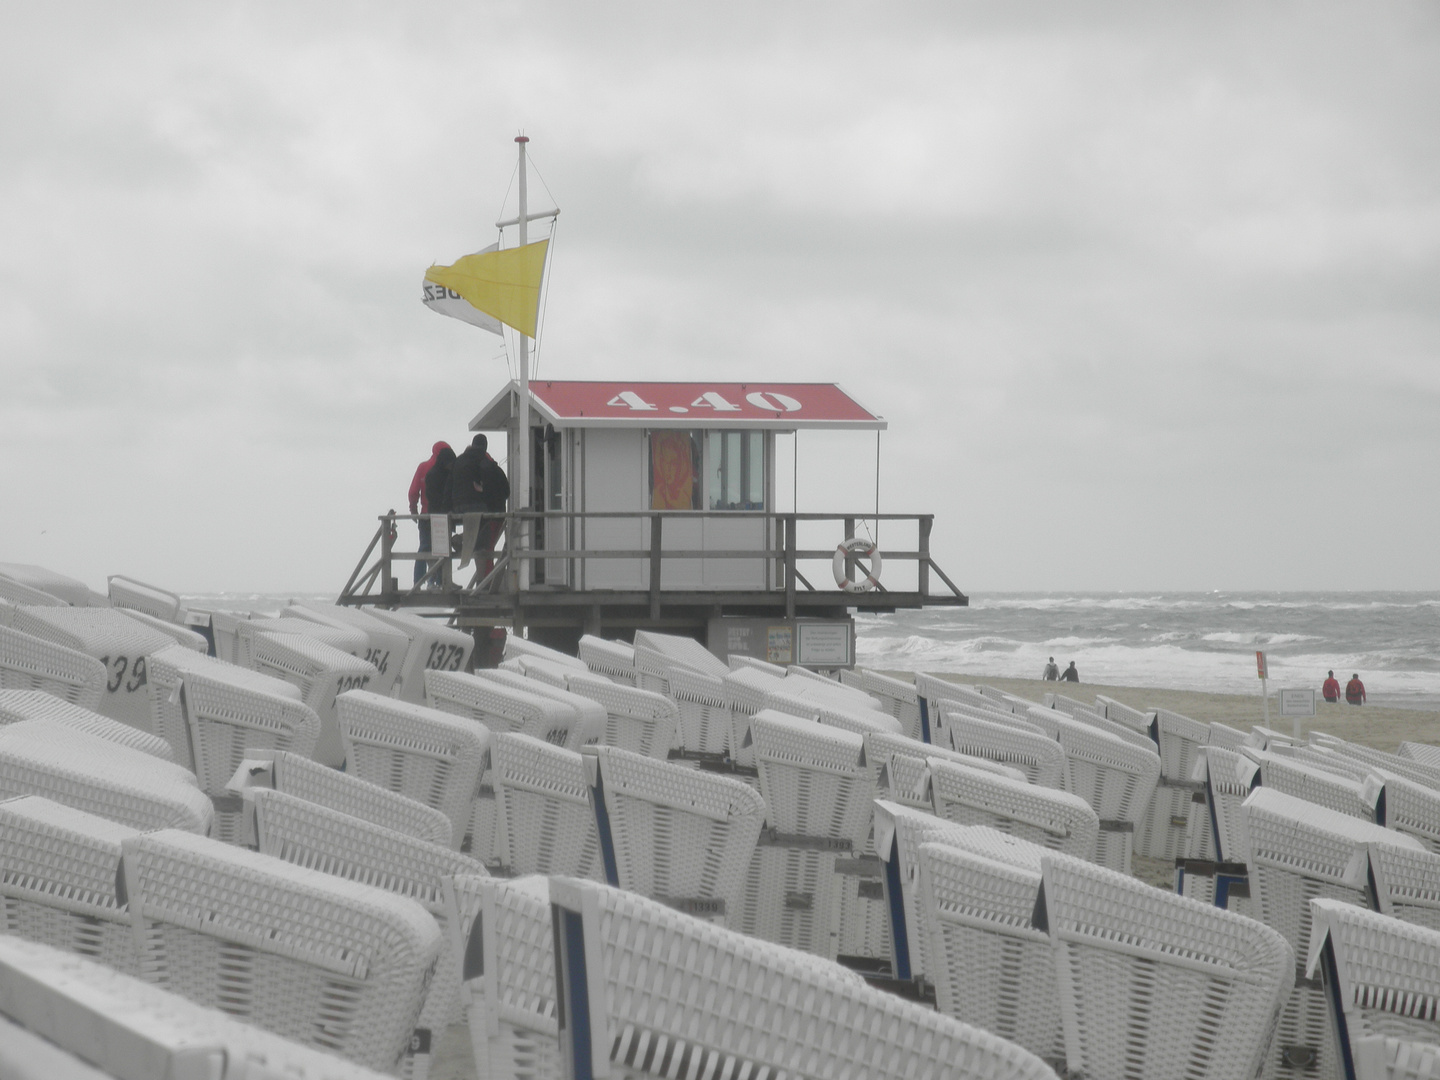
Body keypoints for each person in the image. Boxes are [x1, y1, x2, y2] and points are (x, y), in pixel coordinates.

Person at [450, 433, 511, 575]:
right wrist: (484, 490)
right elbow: (505, 491)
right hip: (492, 512)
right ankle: (485, 579)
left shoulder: (460, 461)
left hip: (460, 507)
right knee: (484, 546)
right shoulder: (488, 465)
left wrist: (449, 507)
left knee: (481, 544)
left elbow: (450, 486)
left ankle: (483, 578)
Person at [407, 441, 451, 585]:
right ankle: (439, 581)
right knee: (442, 548)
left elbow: (413, 491)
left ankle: (418, 581)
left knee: (424, 548)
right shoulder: (448, 468)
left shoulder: (423, 467)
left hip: (425, 514)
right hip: (443, 516)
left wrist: (413, 510)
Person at [420, 445, 456, 588]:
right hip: (438, 518)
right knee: (438, 550)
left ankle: (439, 581)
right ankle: (436, 580)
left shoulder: (433, 473)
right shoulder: (439, 475)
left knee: (438, 550)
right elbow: (435, 497)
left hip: (434, 516)